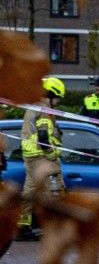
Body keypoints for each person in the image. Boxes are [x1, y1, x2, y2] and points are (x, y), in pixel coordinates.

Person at [17, 77, 66, 241]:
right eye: (58, 98)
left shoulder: (33, 107)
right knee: (53, 191)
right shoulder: (45, 109)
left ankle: (22, 226)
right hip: (42, 157)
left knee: (29, 192)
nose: (58, 102)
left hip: (30, 157)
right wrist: (52, 155)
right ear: (52, 94)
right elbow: (44, 136)